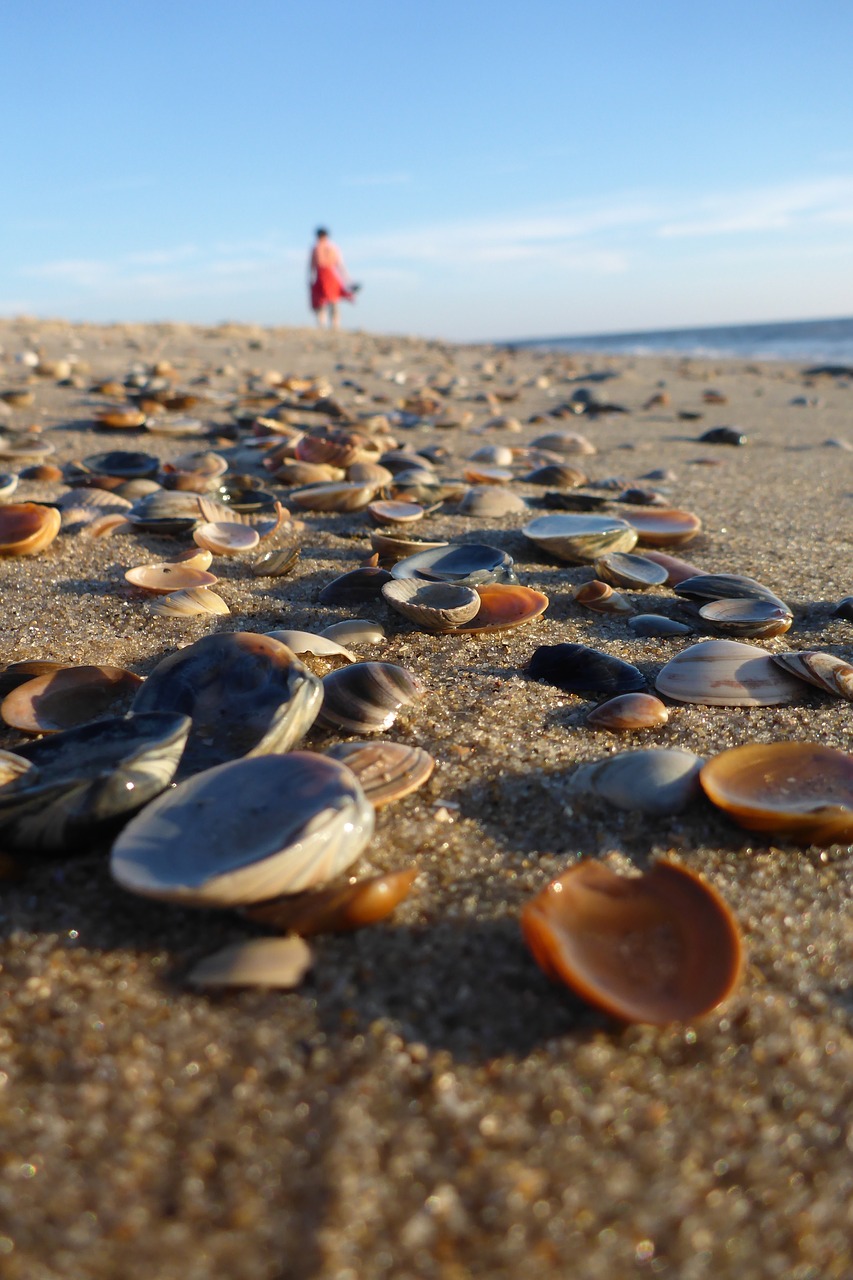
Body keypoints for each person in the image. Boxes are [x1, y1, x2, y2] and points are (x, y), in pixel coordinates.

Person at [308, 227, 360, 329]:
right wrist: (311, 279)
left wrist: (349, 280)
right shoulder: (317, 248)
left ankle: (334, 325)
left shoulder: (330, 247)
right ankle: (322, 324)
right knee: (321, 301)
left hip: (330, 276)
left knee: (333, 301)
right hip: (321, 276)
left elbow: (340, 265)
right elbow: (312, 266)